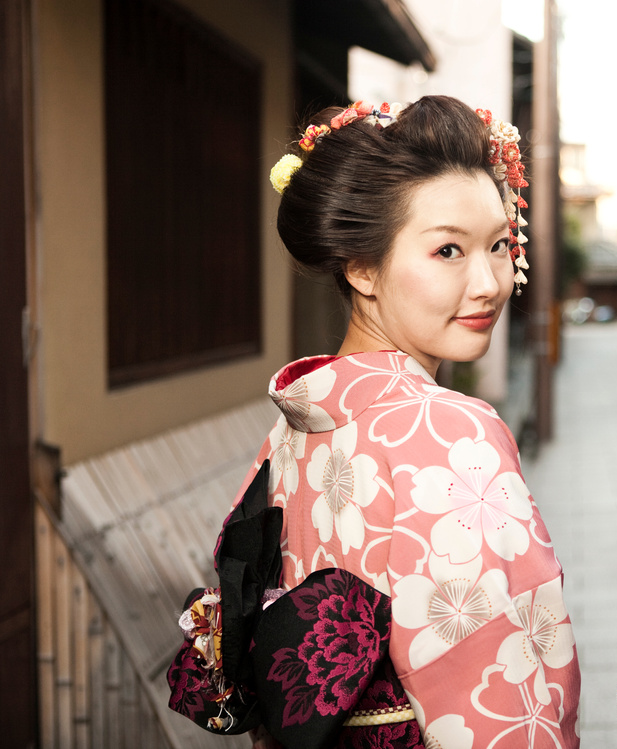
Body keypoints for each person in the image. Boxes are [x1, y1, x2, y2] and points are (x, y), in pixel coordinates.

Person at [167, 96, 579, 748]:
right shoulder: (446, 431)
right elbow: (503, 693)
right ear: (361, 266)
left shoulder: (295, 424)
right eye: (448, 250)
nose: (489, 282)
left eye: (500, 246)